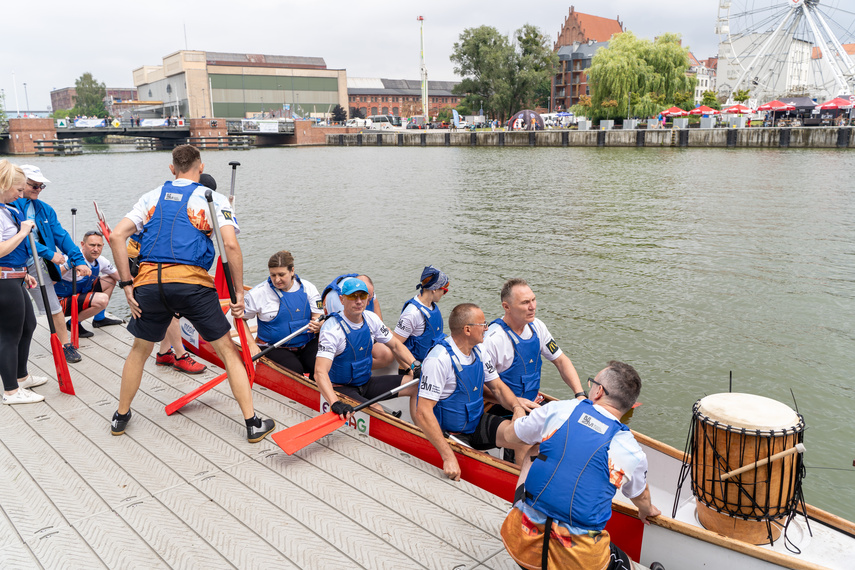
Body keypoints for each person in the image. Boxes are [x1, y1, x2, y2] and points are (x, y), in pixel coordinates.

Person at [107, 144, 275, 442]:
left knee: (139, 350)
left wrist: (126, 284)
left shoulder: (151, 196)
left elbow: (116, 235)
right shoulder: (212, 198)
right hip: (191, 284)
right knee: (226, 351)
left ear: (172, 169)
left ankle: (120, 416)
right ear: (201, 167)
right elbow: (231, 246)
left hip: (148, 283)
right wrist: (237, 292)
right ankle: (252, 423)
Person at [499, 361, 661, 570]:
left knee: (534, 451)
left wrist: (518, 410)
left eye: (592, 383)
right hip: (577, 559)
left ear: (598, 391)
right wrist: (645, 510)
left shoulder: (558, 410)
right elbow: (640, 495)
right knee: (623, 561)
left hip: (522, 543)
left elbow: (510, 435)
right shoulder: (632, 451)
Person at [415, 303, 534, 481]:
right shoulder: (439, 360)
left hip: (476, 422)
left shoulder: (479, 350)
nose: (487, 328)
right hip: (449, 433)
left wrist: (517, 408)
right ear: (468, 330)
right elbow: (423, 412)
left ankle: (521, 489)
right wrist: (448, 457)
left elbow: (498, 387)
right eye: (483, 324)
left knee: (524, 437)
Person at [13, 165, 90, 364]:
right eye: (34, 185)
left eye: (41, 186)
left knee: (53, 307)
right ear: (20, 183)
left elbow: (61, 236)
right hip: (12, 265)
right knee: (15, 313)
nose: (38, 189)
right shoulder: (11, 206)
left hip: (37, 265)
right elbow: (19, 239)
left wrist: (79, 260)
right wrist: (50, 254)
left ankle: (65, 346)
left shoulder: (45, 209)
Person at [315, 277, 420, 419]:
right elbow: (320, 372)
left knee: (416, 386)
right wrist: (335, 402)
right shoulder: (331, 329)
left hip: (366, 382)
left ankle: (421, 433)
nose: (359, 301)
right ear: (342, 299)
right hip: (342, 388)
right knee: (378, 412)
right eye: (353, 296)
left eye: (363, 296)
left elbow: (395, 345)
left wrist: (415, 365)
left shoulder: (371, 319)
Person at [481, 278, 585, 412]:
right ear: (507, 307)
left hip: (533, 402)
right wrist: (514, 402)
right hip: (502, 407)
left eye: (533, 300)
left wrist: (579, 394)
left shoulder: (537, 326)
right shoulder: (492, 339)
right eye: (525, 302)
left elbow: (561, 361)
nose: (532, 307)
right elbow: (478, 384)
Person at [0, 160, 47, 404]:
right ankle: (10, 391)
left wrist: (23, 272)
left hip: (15, 276)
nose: (21, 194)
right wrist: (22, 232)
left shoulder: (7, 208)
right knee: (9, 335)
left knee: (28, 325)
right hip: (3, 281)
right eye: (18, 190)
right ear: (5, 185)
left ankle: (21, 377)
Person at [244, 250, 323, 378]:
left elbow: (318, 316)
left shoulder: (309, 288)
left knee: (322, 367)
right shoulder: (258, 293)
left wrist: (319, 324)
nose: (277, 280)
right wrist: (251, 345)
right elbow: (240, 320)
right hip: (274, 347)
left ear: (292, 271)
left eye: (281, 274)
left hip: (306, 343)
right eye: (273, 275)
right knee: (295, 371)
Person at [54, 230, 123, 338]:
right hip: (59, 303)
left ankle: (99, 319)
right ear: (82, 244)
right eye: (92, 245)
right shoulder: (69, 258)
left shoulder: (101, 261)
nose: (96, 249)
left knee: (110, 280)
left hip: (77, 295)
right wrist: (68, 266)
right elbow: (51, 278)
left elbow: (121, 277)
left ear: (103, 246)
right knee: (102, 300)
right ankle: (73, 323)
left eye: (99, 245)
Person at [323, 272, 395, 369]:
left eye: (368, 298)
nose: (368, 302)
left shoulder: (368, 289)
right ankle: (351, 369)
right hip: (345, 335)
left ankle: (361, 368)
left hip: (361, 327)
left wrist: (381, 328)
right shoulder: (340, 301)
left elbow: (375, 306)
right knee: (383, 355)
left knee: (389, 346)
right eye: (367, 298)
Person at [392, 266, 449, 367]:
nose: (444, 294)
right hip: (416, 369)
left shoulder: (432, 306)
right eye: (444, 290)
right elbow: (395, 346)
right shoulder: (412, 313)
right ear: (434, 289)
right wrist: (410, 370)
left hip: (433, 364)